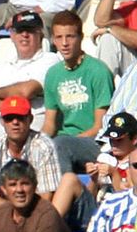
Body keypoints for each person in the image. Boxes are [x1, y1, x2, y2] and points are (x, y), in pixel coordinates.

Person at [43, 11, 115, 176]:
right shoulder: (53, 74)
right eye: (59, 37)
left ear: (81, 37)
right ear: (53, 40)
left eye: (70, 36)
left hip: (93, 143)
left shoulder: (98, 71)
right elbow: (49, 124)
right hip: (62, 141)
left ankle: (61, 193)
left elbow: (100, 126)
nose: (65, 43)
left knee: (60, 144)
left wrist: (71, 140)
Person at [0, 96, 65, 215]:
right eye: (9, 118)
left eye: (20, 117)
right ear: (1, 121)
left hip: (35, 210)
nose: (15, 122)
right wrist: (12, 209)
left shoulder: (44, 145)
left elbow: (47, 194)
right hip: (4, 210)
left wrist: (21, 211)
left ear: (30, 119)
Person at [0, 10, 59, 130]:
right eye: (19, 31)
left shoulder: (50, 60)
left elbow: (26, 91)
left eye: (30, 30)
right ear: (12, 35)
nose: (25, 35)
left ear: (41, 34)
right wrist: (9, 105)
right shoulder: (0, 67)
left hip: (31, 139)